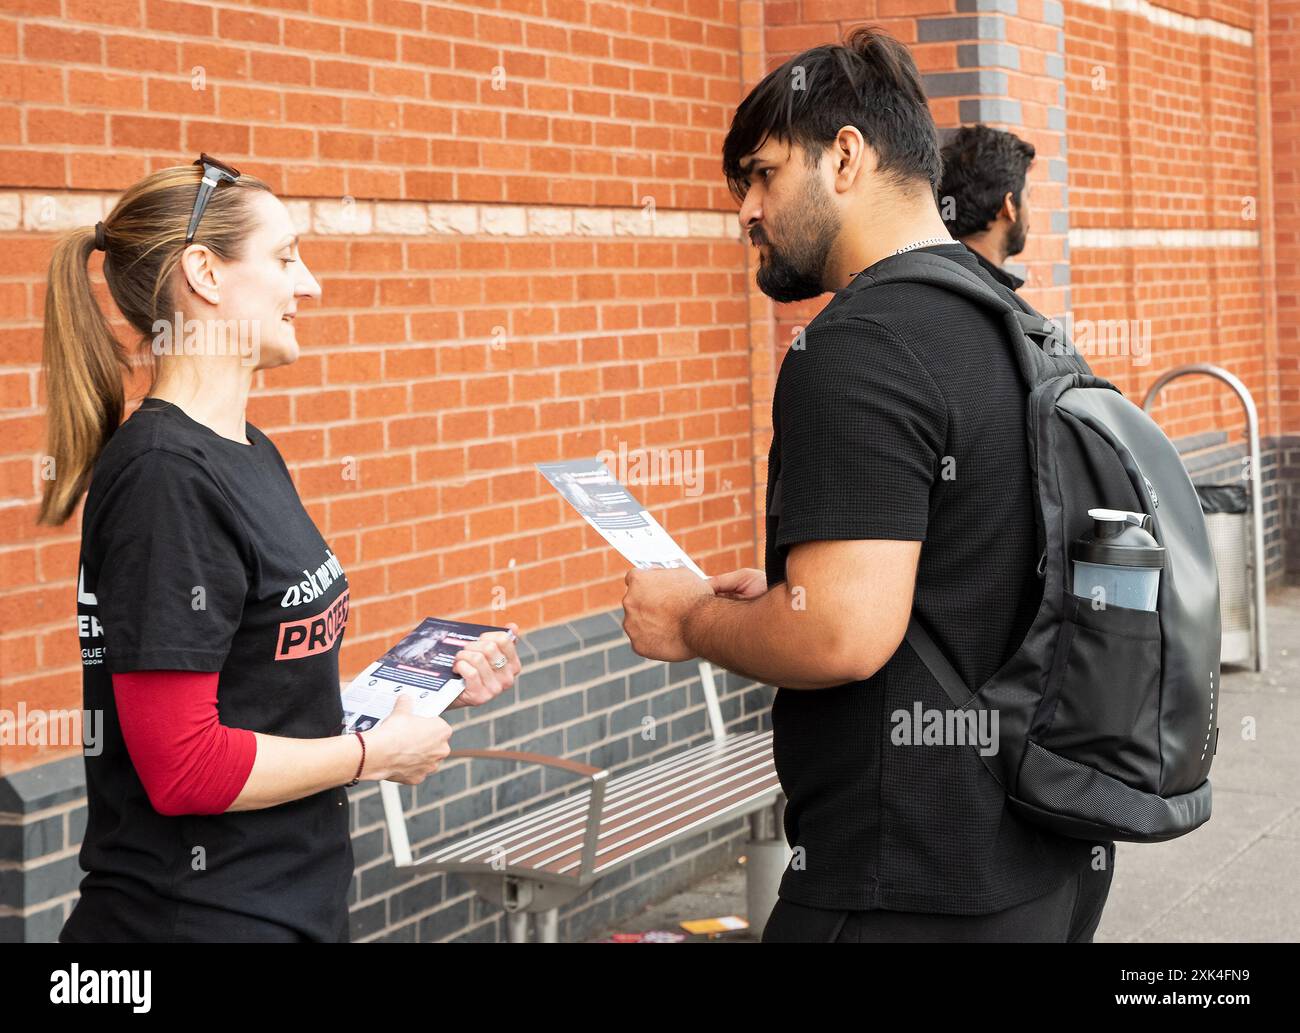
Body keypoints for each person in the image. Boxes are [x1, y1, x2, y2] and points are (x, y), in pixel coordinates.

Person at [620, 27, 1114, 942]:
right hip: (1042, 857)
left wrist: (688, 619)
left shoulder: (857, 346)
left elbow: (842, 632)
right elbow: (957, 566)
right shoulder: (1016, 322)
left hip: (904, 880)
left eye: (761, 174)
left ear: (845, 156)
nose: (746, 211)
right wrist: (786, 593)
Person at [40, 154, 523, 942]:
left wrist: (418, 690)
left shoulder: (248, 449)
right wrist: (374, 754)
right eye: (286, 256)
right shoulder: (166, 477)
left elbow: (262, 686)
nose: (311, 284)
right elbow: (185, 765)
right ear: (204, 273)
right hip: (191, 921)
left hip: (288, 905)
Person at [937, 123, 1036, 292]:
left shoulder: (928, 275)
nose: (1031, 211)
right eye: (1028, 196)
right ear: (1009, 205)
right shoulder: (993, 302)